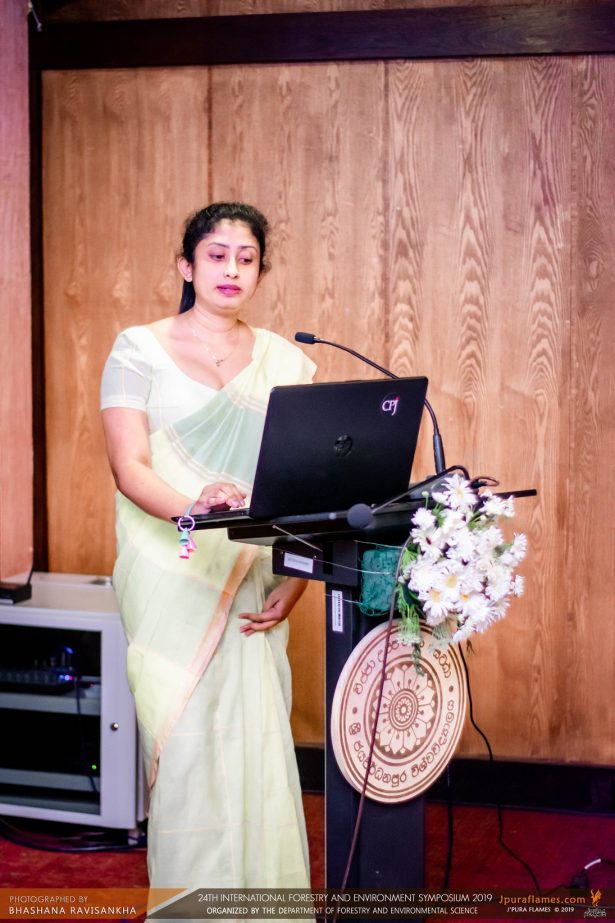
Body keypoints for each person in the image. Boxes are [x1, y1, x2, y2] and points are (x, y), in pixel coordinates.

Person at [100, 202, 316, 891]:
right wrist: (192, 508)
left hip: (253, 577)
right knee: (190, 754)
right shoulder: (137, 349)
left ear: (260, 272)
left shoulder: (285, 362)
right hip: (171, 572)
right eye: (216, 255)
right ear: (186, 267)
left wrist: (299, 577)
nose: (231, 269)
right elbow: (129, 467)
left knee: (254, 746)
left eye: (246, 259)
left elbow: (304, 483)